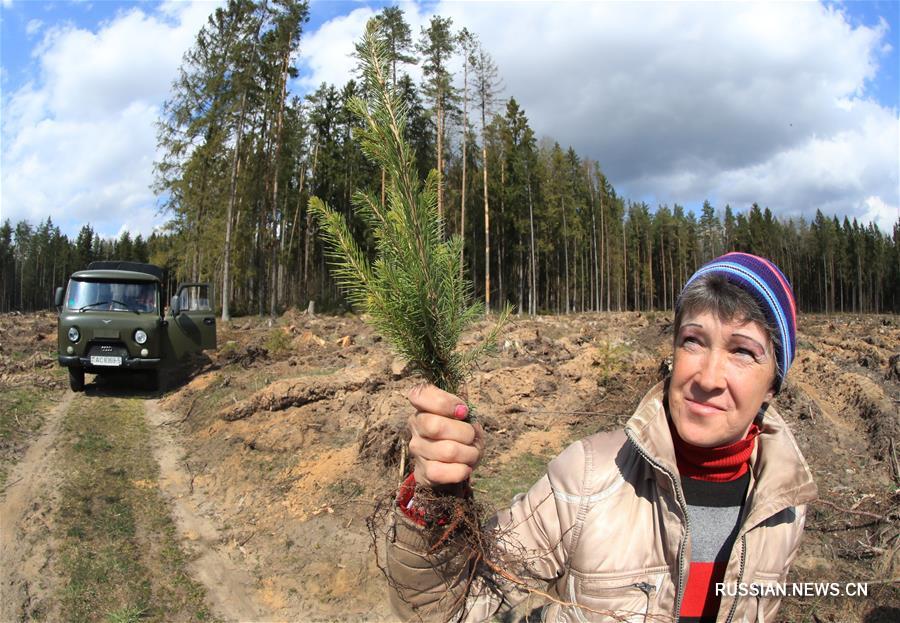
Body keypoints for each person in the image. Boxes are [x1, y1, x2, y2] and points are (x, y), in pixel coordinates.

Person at [385, 252, 817, 623]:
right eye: (693, 341)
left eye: (742, 351)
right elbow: (444, 608)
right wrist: (431, 501)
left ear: (774, 384)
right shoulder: (586, 479)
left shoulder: (782, 507)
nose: (707, 377)